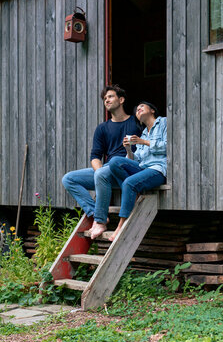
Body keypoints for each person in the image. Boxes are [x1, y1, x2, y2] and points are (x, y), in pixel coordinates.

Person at [62, 84, 143, 238]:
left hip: (128, 169)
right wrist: (99, 171)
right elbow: (95, 156)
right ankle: (95, 212)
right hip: (107, 170)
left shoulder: (135, 122)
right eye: (105, 98)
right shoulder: (102, 128)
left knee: (105, 171)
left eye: (110, 96)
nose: (107, 100)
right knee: (69, 179)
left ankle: (99, 221)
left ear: (121, 100)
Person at [99, 101, 167, 241]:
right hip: (142, 168)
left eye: (142, 106)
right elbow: (136, 160)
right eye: (136, 110)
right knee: (115, 162)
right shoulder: (143, 133)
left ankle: (121, 225)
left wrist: (144, 142)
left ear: (152, 110)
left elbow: (168, 146)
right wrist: (129, 149)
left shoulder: (164, 123)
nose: (138, 109)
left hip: (157, 169)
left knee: (129, 182)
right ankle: (133, 192)